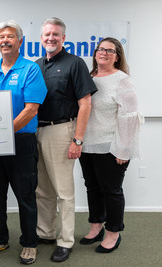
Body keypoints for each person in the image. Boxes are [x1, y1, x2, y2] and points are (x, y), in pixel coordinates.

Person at [0, 20, 47, 265]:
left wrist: (2, 131)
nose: (5, 41)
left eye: (10, 37)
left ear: (20, 42)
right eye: (1, 37)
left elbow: (31, 110)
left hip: (22, 143)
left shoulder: (30, 70)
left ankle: (29, 243)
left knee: (26, 195)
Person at [35, 17, 98, 262]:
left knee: (63, 191)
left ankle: (65, 240)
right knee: (43, 189)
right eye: (46, 34)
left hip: (61, 131)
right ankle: (46, 232)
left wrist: (77, 140)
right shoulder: (37, 64)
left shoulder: (75, 63)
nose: (50, 38)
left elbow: (86, 104)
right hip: (36, 131)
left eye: (55, 34)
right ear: (41, 38)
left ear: (63, 38)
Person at [78, 37, 142, 253]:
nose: (103, 53)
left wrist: (124, 149)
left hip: (111, 147)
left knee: (111, 191)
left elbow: (130, 116)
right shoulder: (89, 77)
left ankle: (113, 232)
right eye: (100, 49)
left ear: (117, 56)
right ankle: (96, 226)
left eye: (109, 50)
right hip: (87, 145)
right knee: (92, 188)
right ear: (95, 53)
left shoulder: (122, 80)